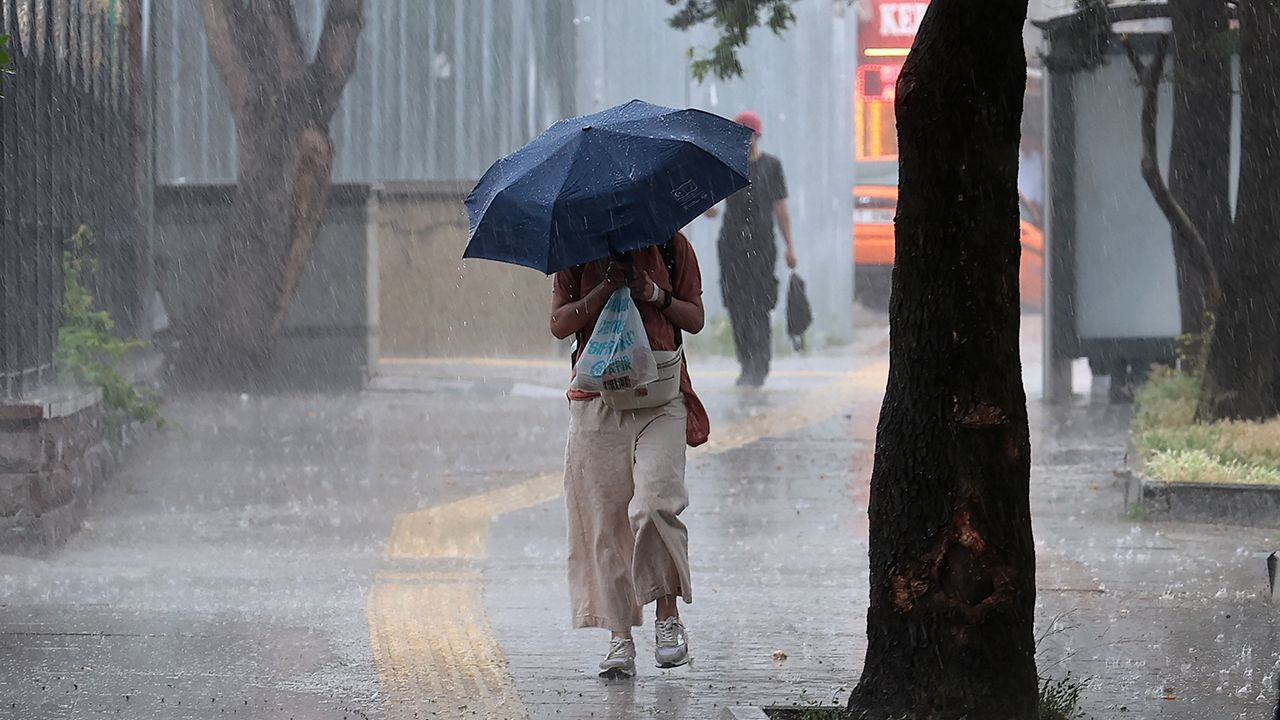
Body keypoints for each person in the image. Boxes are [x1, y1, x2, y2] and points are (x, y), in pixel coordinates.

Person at [549, 232, 710, 678]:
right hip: (595, 399)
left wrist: (653, 293)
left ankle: (667, 618)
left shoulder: (670, 246)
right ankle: (619, 637)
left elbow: (694, 318)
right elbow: (560, 323)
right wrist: (604, 287)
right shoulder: (576, 250)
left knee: (657, 503)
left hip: (660, 395)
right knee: (604, 523)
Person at [706, 110, 796, 387]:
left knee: (760, 305)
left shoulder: (772, 166)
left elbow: (781, 209)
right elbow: (711, 206)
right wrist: (706, 206)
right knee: (736, 306)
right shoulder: (727, 166)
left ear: (758, 136)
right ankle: (746, 363)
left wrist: (790, 247)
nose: (746, 141)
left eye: (750, 135)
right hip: (732, 247)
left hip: (762, 246)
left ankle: (760, 363)